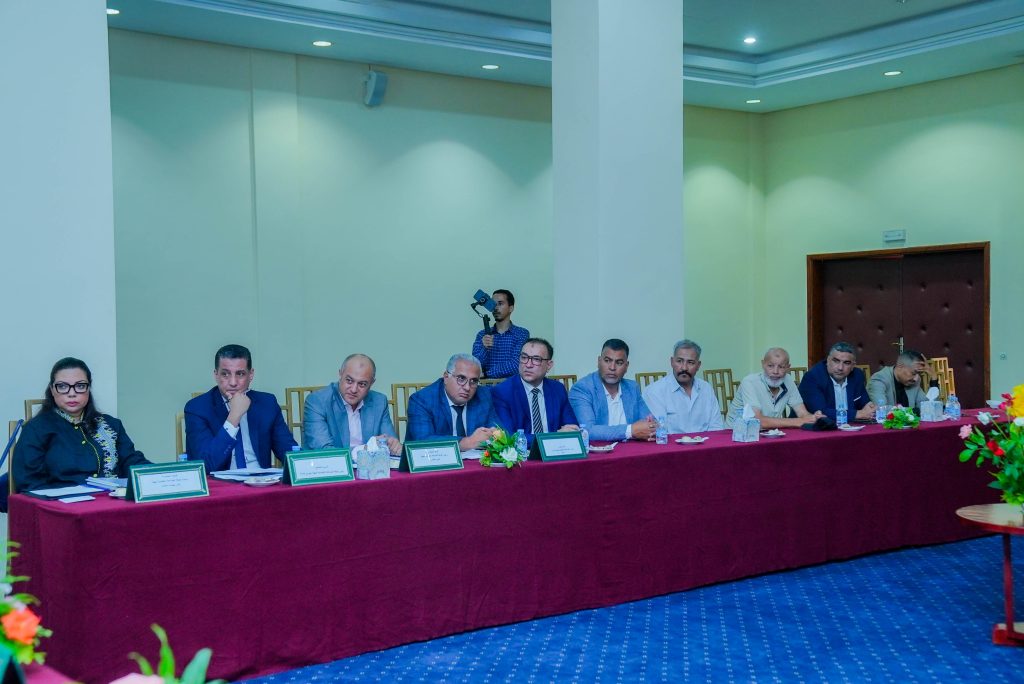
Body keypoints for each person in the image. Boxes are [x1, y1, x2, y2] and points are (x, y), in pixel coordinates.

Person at [14, 357, 150, 492]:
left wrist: (158, 475)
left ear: (88, 388)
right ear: (52, 389)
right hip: (60, 503)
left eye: (80, 386)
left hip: (111, 500)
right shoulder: (35, 429)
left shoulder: (111, 425)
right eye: (62, 386)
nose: (72, 393)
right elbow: (29, 482)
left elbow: (131, 461)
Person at [185, 344, 296, 470]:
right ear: (216, 375)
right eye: (225, 374)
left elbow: (289, 451)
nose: (233, 383)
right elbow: (206, 465)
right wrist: (234, 416)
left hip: (261, 479)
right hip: (220, 481)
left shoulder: (267, 403)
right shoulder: (197, 408)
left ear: (251, 375)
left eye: (240, 374)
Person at [303, 353, 401, 455]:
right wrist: (366, 449)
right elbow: (324, 451)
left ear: (372, 383)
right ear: (340, 374)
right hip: (330, 465)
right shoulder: (317, 402)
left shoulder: (379, 402)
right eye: (349, 381)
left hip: (371, 464)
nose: (354, 390)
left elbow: (390, 443)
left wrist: (395, 446)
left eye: (362, 384)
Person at [492, 338, 578, 445]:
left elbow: (572, 428)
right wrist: (553, 436)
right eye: (524, 357)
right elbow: (508, 437)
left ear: (549, 365)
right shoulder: (502, 392)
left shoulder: (557, 389)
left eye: (536, 359)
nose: (528, 365)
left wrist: (561, 435)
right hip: (523, 453)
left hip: (555, 451)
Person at [568, 338, 656, 441]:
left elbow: (651, 422)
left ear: (626, 366)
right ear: (599, 361)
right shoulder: (582, 388)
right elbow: (588, 431)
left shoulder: (632, 388)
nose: (612, 367)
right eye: (607, 361)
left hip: (631, 448)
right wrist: (630, 431)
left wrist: (652, 427)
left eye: (619, 362)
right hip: (598, 449)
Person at [406, 353, 497, 450]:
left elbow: (497, 430)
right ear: (446, 377)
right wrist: (467, 443)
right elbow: (422, 440)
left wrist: (494, 434)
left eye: (473, 381)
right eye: (461, 378)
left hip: (475, 458)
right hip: (435, 459)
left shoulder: (484, 395)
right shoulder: (421, 400)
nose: (467, 387)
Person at [726, 347, 823, 428]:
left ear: (788, 367)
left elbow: (802, 413)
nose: (775, 372)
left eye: (781, 367)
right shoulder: (750, 382)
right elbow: (757, 421)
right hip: (735, 435)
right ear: (763, 364)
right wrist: (798, 421)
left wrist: (814, 417)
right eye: (770, 366)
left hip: (769, 434)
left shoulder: (788, 380)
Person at [642, 339, 724, 433]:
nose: (684, 368)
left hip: (706, 442)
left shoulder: (706, 389)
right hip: (671, 443)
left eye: (690, 362)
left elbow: (716, 428)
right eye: (679, 361)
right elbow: (659, 433)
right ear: (672, 362)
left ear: (698, 365)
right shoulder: (654, 392)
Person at [798, 341, 876, 422]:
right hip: (814, 427)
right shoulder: (813, 377)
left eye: (846, 363)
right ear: (828, 361)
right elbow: (820, 412)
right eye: (836, 361)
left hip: (849, 425)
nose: (840, 368)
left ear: (853, 366)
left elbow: (864, 403)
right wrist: (857, 414)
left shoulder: (857, 375)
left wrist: (869, 407)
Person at [471, 289, 530, 379]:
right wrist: (484, 349)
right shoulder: (482, 335)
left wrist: (487, 374)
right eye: (493, 304)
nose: (495, 308)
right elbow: (475, 367)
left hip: (511, 386)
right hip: (487, 386)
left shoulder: (521, 334)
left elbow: (517, 364)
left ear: (511, 308)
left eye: (500, 303)